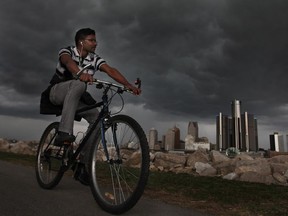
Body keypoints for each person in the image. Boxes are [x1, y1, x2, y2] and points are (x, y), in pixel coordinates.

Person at [46, 28, 141, 185]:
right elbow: (67, 62)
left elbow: (110, 70)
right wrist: (79, 73)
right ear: (81, 42)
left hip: (76, 97)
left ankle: (82, 165)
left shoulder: (94, 59)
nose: (96, 43)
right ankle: (64, 132)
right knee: (78, 85)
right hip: (57, 92)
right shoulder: (68, 51)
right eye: (92, 40)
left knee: (98, 119)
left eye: (96, 40)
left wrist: (128, 84)